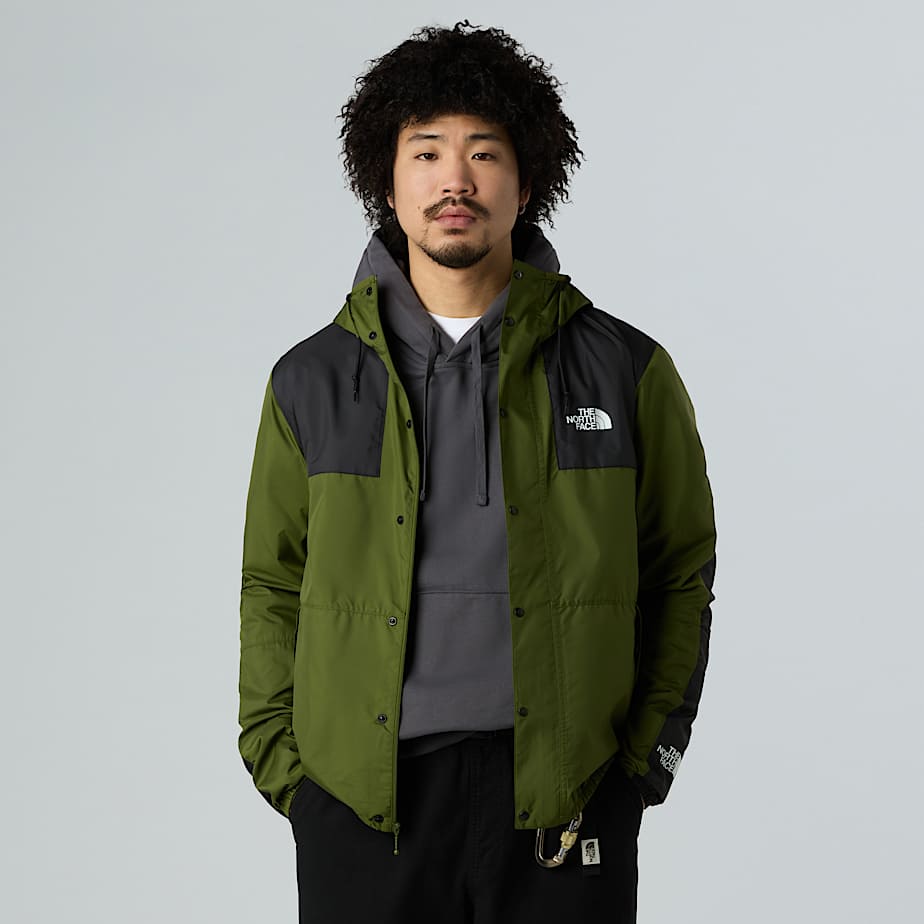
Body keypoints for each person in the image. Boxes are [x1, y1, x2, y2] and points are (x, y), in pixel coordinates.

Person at [238, 21, 716, 924]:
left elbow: (680, 571)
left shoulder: (625, 371)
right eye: (426, 153)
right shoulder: (311, 381)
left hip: (568, 804)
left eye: (484, 153)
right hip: (362, 809)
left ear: (526, 183)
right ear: (387, 182)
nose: (454, 180)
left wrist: (641, 766)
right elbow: (272, 583)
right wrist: (288, 773)